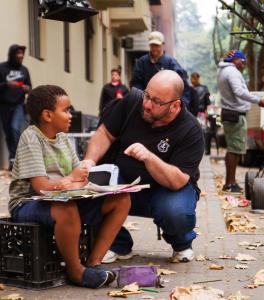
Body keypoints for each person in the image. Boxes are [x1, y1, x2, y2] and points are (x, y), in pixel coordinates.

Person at [8, 85, 131, 288]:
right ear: (47, 115)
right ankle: (76, 271)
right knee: (66, 208)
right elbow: (41, 187)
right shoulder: (31, 137)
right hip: (27, 204)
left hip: (64, 198)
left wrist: (74, 182)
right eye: (66, 110)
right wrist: (70, 180)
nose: (70, 115)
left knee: (121, 200)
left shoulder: (64, 138)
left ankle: (93, 263)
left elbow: (82, 176)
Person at [83, 70, 204, 263]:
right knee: (90, 187)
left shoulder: (191, 130)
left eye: (156, 102)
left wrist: (149, 157)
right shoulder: (132, 102)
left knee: (175, 211)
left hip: (165, 190)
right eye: (147, 95)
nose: (147, 105)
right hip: (124, 184)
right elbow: (105, 133)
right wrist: (89, 161)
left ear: (174, 106)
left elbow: (178, 180)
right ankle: (117, 244)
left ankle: (181, 242)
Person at [217, 50, 264, 193]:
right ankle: (230, 183)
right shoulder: (232, 72)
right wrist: (259, 100)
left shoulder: (222, 70)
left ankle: (230, 182)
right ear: (236, 60)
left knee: (232, 149)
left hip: (229, 112)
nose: (244, 64)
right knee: (234, 150)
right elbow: (239, 91)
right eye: (242, 61)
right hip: (235, 114)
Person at [130, 31, 190, 105]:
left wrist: (182, 104)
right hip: (146, 104)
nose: (154, 48)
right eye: (152, 45)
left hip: (166, 105)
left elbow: (182, 86)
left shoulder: (171, 63)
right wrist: (143, 98)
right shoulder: (141, 62)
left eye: (157, 45)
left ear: (162, 44)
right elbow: (136, 83)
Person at [0, 44, 32, 169]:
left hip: (19, 104)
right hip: (3, 105)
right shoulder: (2, 68)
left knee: (15, 128)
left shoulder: (24, 70)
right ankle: (13, 160)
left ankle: (18, 159)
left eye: (22, 54)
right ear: (12, 55)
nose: (21, 56)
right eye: (18, 54)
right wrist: (6, 85)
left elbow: (30, 87)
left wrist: (27, 88)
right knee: (9, 133)